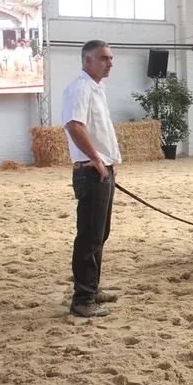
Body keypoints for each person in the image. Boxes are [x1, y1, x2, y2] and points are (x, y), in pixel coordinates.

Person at [62, 40, 123, 318]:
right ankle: (83, 299)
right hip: (90, 171)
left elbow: (99, 132)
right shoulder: (80, 88)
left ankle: (92, 288)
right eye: (104, 58)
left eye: (110, 58)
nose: (109, 63)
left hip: (101, 170)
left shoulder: (97, 89)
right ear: (88, 61)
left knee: (100, 233)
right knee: (89, 236)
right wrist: (98, 159)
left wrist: (109, 162)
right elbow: (75, 126)